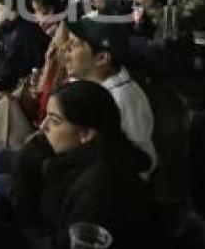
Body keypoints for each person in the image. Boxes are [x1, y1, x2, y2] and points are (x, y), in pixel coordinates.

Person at [14, 81, 154, 249]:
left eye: (54, 120)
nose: (43, 126)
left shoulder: (101, 190)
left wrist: (28, 224)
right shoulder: (87, 155)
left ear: (86, 133)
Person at [61, 19, 157, 173]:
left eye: (74, 44)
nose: (65, 49)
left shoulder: (120, 100)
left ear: (101, 59)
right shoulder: (90, 83)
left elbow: (139, 168)